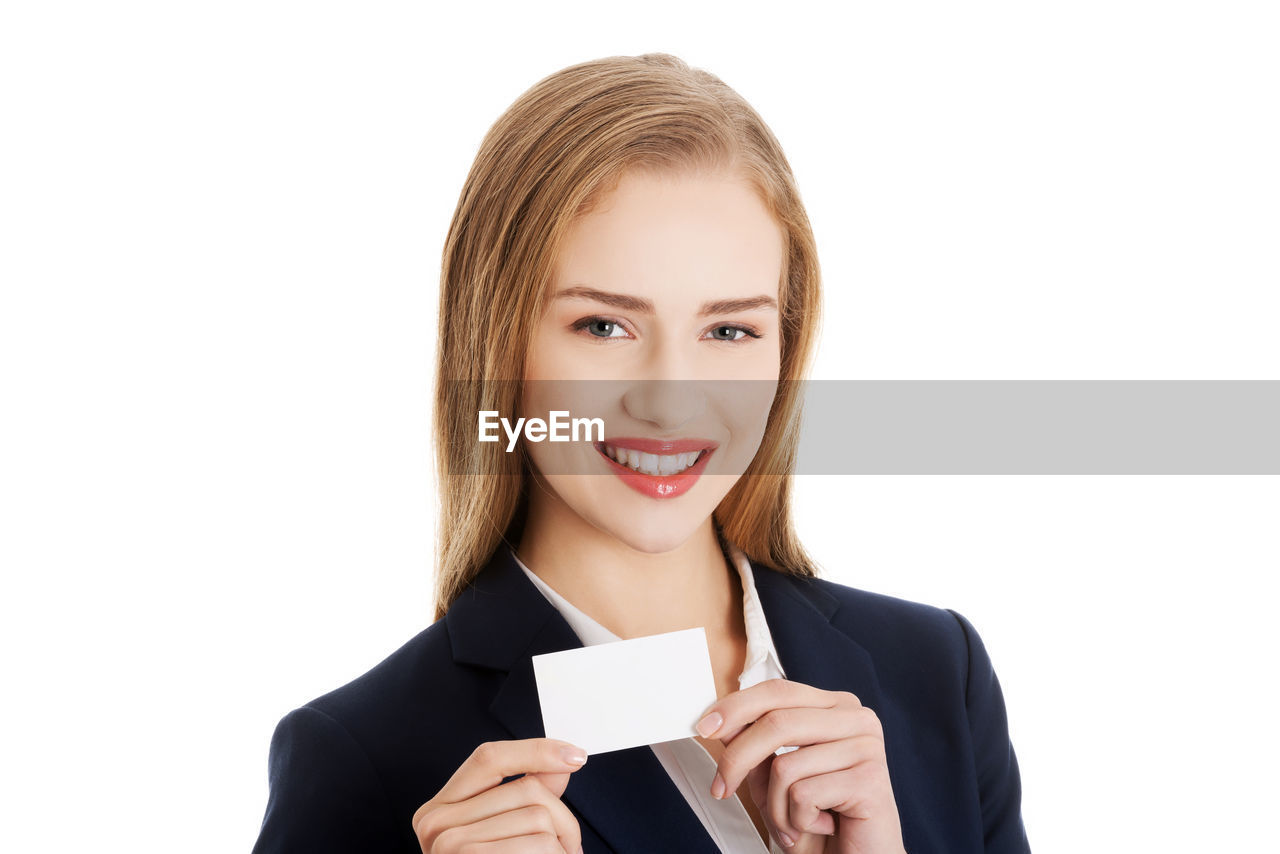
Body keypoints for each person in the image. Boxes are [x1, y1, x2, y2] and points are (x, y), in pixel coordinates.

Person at [250, 53, 1031, 854]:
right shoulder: (362, 754)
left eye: (729, 330)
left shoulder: (936, 672)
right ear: (497, 339)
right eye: (604, 326)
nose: (669, 402)